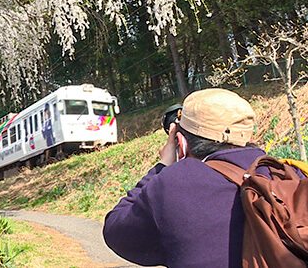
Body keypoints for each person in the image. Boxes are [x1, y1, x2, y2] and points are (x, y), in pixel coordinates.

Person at [103, 88, 269, 268]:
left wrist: (162, 167)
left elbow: (116, 231)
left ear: (180, 143)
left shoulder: (175, 184)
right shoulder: (288, 173)